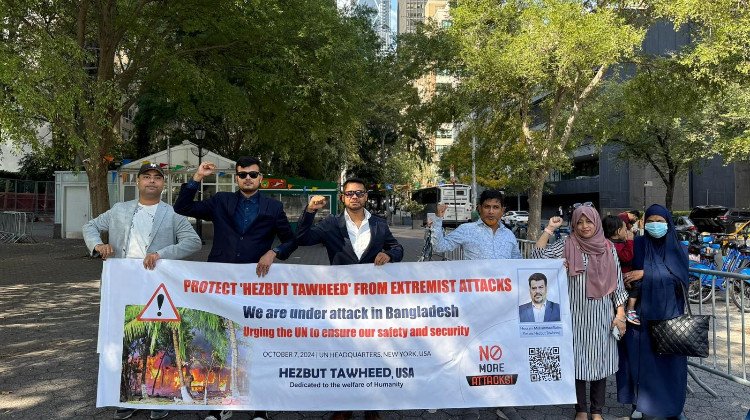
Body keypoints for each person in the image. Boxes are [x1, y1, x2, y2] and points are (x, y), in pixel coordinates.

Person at [174, 156, 297, 420]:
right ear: (237, 178)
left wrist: (273, 252)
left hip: (256, 284)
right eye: (243, 175)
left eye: (253, 174)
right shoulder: (221, 201)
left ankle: (259, 409)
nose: (248, 179)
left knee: (255, 341)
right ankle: (218, 406)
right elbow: (182, 207)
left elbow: (290, 241)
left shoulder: (273, 207)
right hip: (220, 282)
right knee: (218, 342)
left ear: (260, 178)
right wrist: (197, 177)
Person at [82, 163, 202, 420]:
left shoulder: (171, 215)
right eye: (146, 177)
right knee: (125, 339)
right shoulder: (119, 210)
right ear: (137, 182)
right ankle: (126, 396)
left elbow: (193, 241)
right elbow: (90, 226)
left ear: (163, 185)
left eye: (157, 178)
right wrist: (98, 245)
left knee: (157, 339)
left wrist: (161, 254)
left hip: (156, 288)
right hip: (122, 286)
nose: (151, 181)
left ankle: (159, 399)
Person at [296, 178, 404, 420]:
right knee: (343, 353)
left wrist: (389, 253)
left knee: (373, 353)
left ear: (365, 196)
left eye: (359, 193)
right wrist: (310, 211)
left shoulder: (379, 224)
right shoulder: (331, 224)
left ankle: (371, 408)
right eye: (349, 193)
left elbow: (397, 248)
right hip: (341, 302)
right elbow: (302, 239)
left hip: (372, 301)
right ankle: (343, 406)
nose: (354, 197)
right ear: (343, 197)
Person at [533, 207, 627, 420]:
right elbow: (537, 256)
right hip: (574, 316)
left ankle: (597, 411)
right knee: (577, 363)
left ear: (596, 223)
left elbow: (618, 284)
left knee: (599, 363)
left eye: (589, 222)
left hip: (602, 315)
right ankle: (581, 410)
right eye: (580, 222)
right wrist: (549, 228)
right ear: (573, 225)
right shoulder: (566, 244)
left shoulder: (608, 247)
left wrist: (620, 313)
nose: (585, 226)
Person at [616, 204, 690, 420]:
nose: (654, 225)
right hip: (639, 316)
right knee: (638, 360)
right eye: (650, 221)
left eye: (659, 221)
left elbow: (680, 280)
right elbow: (623, 269)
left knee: (668, 362)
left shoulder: (677, 248)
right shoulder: (637, 245)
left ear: (668, 222)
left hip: (668, 316)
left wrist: (646, 273)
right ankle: (640, 404)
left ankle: (672, 407)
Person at [429, 189, 522, 260]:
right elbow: (439, 247)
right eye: (487, 207)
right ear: (479, 209)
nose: (491, 211)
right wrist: (437, 220)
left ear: (502, 211)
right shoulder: (466, 230)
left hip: (503, 285)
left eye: (496, 207)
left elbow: (517, 262)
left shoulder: (509, 235)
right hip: (475, 285)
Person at [604, 215, 639, 324]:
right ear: (619, 231)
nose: (627, 231)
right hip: (622, 278)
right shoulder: (614, 246)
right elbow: (626, 256)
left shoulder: (606, 243)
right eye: (625, 229)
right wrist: (630, 241)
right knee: (636, 286)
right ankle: (630, 309)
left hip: (617, 278)